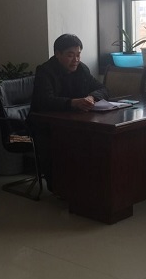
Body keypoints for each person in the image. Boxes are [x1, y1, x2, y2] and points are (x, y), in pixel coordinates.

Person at [29, 34, 109, 188]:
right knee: (63, 143)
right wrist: (72, 103)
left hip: (74, 122)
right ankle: (61, 187)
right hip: (44, 126)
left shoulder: (82, 69)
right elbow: (45, 101)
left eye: (78, 55)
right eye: (70, 55)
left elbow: (103, 89)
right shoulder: (45, 71)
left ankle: (89, 185)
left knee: (97, 140)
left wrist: (92, 97)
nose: (76, 60)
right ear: (57, 54)